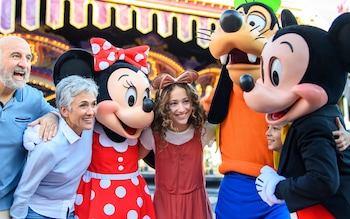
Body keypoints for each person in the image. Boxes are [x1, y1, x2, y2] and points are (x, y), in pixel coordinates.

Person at [10, 75, 98, 219]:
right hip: (39, 213)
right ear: (64, 110)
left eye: (93, 104)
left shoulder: (87, 125)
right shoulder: (50, 147)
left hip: (71, 211)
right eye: (83, 105)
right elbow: (23, 192)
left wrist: (52, 114)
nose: (91, 111)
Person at [140, 70, 216, 219]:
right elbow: (129, 161)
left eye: (185, 101)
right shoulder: (152, 135)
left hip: (196, 206)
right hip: (164, 206)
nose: (181, 109)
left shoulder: (203, 131)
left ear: (193, 102)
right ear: (164, 106)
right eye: (173, 103)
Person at [0, 36, 58, 219]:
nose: (24, 64)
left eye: (28, 58)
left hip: (6, 208)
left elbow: (59, 114)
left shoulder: (33, 98)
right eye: (16, 56)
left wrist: (52, 116)